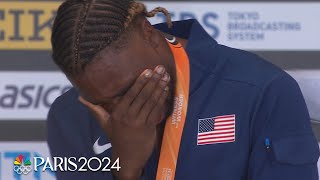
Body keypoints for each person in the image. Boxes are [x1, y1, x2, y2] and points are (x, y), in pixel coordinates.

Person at [48, 0, 320, 179]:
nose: (122, 110)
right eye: (102, 103)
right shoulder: (69, 116)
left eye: (131, 88)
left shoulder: (261, 90)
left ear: (148, 32)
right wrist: (126, 169)